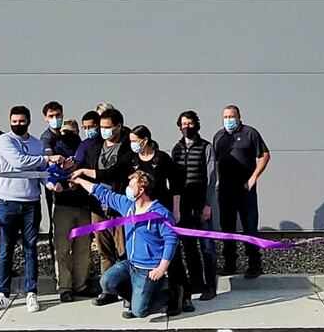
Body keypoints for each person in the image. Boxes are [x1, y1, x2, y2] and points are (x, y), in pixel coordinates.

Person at [0, 106, 68, 313]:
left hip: (31, 203)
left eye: (22, 121)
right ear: (10, 121)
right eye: (14, 121)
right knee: (5, 249)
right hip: (7, 202)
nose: (18, 124)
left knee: (30, 248)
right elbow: (19, 162)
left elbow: (40, 173)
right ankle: (2, 293)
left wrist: (52, 184)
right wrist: (47, 158)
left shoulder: (36, 143)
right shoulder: (4, 140)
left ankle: (31, 293)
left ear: (29, 120)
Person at [82, 170, 178, 319]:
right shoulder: (127, 206)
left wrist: (161, 268)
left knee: (140, 312)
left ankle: (170, 295)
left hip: (148, 268)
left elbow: (171, 240)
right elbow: (103, 194)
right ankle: (135, 299)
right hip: (131, 263)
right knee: (106, 281)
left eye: (131, 185)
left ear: (141, 190)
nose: (127, 188)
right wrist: (80, 180)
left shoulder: (160, 213)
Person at [213, 104, 270, 278]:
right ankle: (230, 264)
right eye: (225, 117)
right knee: (227, 228)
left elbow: (265, 155)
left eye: (231, 116)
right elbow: (215, 161)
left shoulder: (250, 133)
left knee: (250, 227)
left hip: (245, 190)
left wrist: (253, 178)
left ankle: (254, 264)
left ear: (238, 117)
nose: (228, 120)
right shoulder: (219, 136)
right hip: (225, 190)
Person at [75, 107, 134, 274]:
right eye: (102, 127)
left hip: (118, 205)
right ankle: (108, 288)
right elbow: (83, 164)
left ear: (119, 126)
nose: (104, 131)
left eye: (108, 127)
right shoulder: (95, 146)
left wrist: (84, 172)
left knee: (123, 250)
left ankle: (126, 290)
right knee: (104, 251)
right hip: (98, 206)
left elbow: (113, 173)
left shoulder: (127, 148)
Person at [41, 101, 89, 303]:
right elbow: (47, 171)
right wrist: (56, 183)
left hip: (84, 204)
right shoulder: (52, 146)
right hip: (62, 205)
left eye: (73, 131)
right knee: (62, 247)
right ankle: (65, 287)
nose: (69, 134)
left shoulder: (85, 148)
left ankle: (81, 285)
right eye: (65, 131)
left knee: (83, 248)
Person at [171, 110, 219, 302]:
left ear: (196, 124)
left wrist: (208, 204)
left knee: (207, 247)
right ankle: (196, 282)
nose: (186, 127)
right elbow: (174, 180)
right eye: (183, 124)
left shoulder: (206, 147)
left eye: (190, 123)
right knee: (188, 246)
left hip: (201, 203)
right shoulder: (176, 149)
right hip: (183, 205)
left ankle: (210, 286)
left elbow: (212, 177)